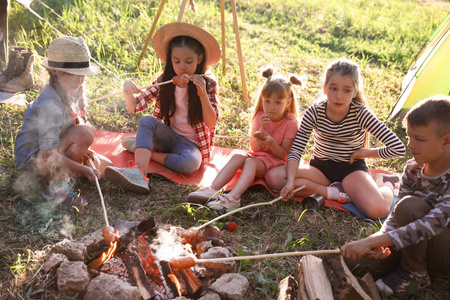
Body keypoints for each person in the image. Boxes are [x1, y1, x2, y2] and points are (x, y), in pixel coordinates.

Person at [341, 95, 450, 296]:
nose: (410, 145)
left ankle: (414, 273)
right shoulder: (413, 168)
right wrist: (380, 239)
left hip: (443, 250)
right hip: (413, 242)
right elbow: (396, 213)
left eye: (419, 139)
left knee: (410, 206)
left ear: (446, 140)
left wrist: (374, 242)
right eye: (409, 136)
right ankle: (405, 264)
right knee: (354, 261)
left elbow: (432, 224)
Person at [272, 58, 405, 219]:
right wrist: (291, 181)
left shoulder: (360, 114)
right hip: (320, 169)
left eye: (347, 90)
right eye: (333, 88)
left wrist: (363, 152)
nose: (339, 96)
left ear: (355, 92)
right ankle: (334, 192)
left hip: (350, 170)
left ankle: (386, 183)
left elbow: (398, 148)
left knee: (378, 210)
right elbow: (296, 150)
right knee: (274, 178)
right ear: (325, 89)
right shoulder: (315, 111)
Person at [105, 22, 221, 194]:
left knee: (189, 164)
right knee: (146, 120)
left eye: (189, 61)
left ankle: (144, 150)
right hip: (168, 137)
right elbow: (135, 107)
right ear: (170, 60)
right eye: (176, 61)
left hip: (191, 147)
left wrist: (202, 94)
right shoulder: (164, 81)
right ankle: (139, 175)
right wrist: (128, 90)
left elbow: (211, 123)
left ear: (200, 58)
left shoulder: (209, 84)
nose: (182, 66)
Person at [14, 36, 112, 208]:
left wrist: (84, 150)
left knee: (106, 166)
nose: (79, 80)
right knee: (86, 138)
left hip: (54, 149)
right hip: (33, 163)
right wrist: (83, 169)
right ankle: (56, 185)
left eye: (82, 74)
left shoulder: (73, 88)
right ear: (54, 70)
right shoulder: (49, 104)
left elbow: (77, 119)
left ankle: (68, 172)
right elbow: (48, 154)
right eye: (72, 74)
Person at [188, 68, 301, 210]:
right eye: (267, 101)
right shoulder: (260, 116)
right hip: (258, 156)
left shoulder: (291, 123)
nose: (271, 107)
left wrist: (271, 142)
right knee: (237, 156)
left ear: (288, 103)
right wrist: (262, 130)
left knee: (251, 163)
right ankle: (213, 189)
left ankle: (233, 198)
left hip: (274, 163)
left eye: (278, 103)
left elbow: (284, 155)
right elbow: (254, 147)